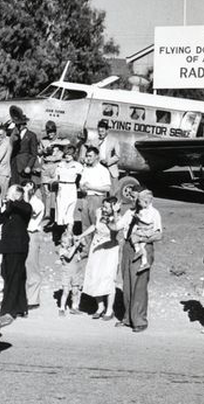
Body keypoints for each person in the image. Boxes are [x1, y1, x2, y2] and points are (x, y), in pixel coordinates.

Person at [118, 189, 162, 332]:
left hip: (143, 247)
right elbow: (117, 226)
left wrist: (141, 238)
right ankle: (128, 318)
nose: (134, 200)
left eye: (136, 197)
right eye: (132, 197)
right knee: (127, 284)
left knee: (139, 285)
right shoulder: (129, 212)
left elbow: (159, 234)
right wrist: (111, 214)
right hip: (128, 248)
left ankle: (140, 320)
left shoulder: (153, 213)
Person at [82, 196, 129, 321]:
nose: (104, 209)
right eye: (103, 206)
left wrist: (113, 214)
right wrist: (81, 235)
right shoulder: (99, 212)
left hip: (109, 249)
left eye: (107, 207)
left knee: (108, 278)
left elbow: (114, 232)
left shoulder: (118, 218)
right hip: (96, 246)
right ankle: (100, 306)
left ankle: (110, 309)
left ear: (113, 207)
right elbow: (94, 226)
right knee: (95, 275)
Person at [0, 184, 32, 318]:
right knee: (13, 275)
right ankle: (21, 307)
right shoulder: (10, 208)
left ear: (17, 194)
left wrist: (11, 201)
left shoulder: (24, 206)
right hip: (8, 247)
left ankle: (9, 309)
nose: (7, 194)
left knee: (14, 276)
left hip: (18, 246)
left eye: (10, 192)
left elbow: (24, 209)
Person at [22, 179, 47, 309]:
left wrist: (25, 196)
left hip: (32, 234)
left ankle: (33, 299)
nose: (26, 189)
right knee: (23, 266)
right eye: (24, 187)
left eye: (29, 187)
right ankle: (24, 296)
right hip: (21, 234)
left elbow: (28, 211)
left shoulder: (37, 203)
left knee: (32, 266)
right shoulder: (21, 201)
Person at [54, 145, 83, 237]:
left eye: (69, 154)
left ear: (74, 154)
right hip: (61, 188)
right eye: (66, 154)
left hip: (71, 188)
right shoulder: (60, 165)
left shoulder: (78, 166)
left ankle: (69, 234)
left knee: (69, 212)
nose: (67, 156)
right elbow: (56, 177)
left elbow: (82, 178)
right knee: (61, 212)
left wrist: (80, 187)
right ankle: (63, 234)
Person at [10, 111, 39, 185]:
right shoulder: (14, 135)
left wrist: (29, 166)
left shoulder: (31, 135)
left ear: (23, 124)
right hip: (13, 165)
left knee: (23, 186)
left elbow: (34, 154)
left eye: (18, 124)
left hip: (24, 166)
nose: (16, 126)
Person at [94, 119, 121, 190]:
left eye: (102, 131)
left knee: (113, 192)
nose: (100, 133)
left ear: (107, 131)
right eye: (99, 131)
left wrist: (108, 161)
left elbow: (118, 156)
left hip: (111, 169)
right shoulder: (95, 141)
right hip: (98, 169)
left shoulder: (114, 140)